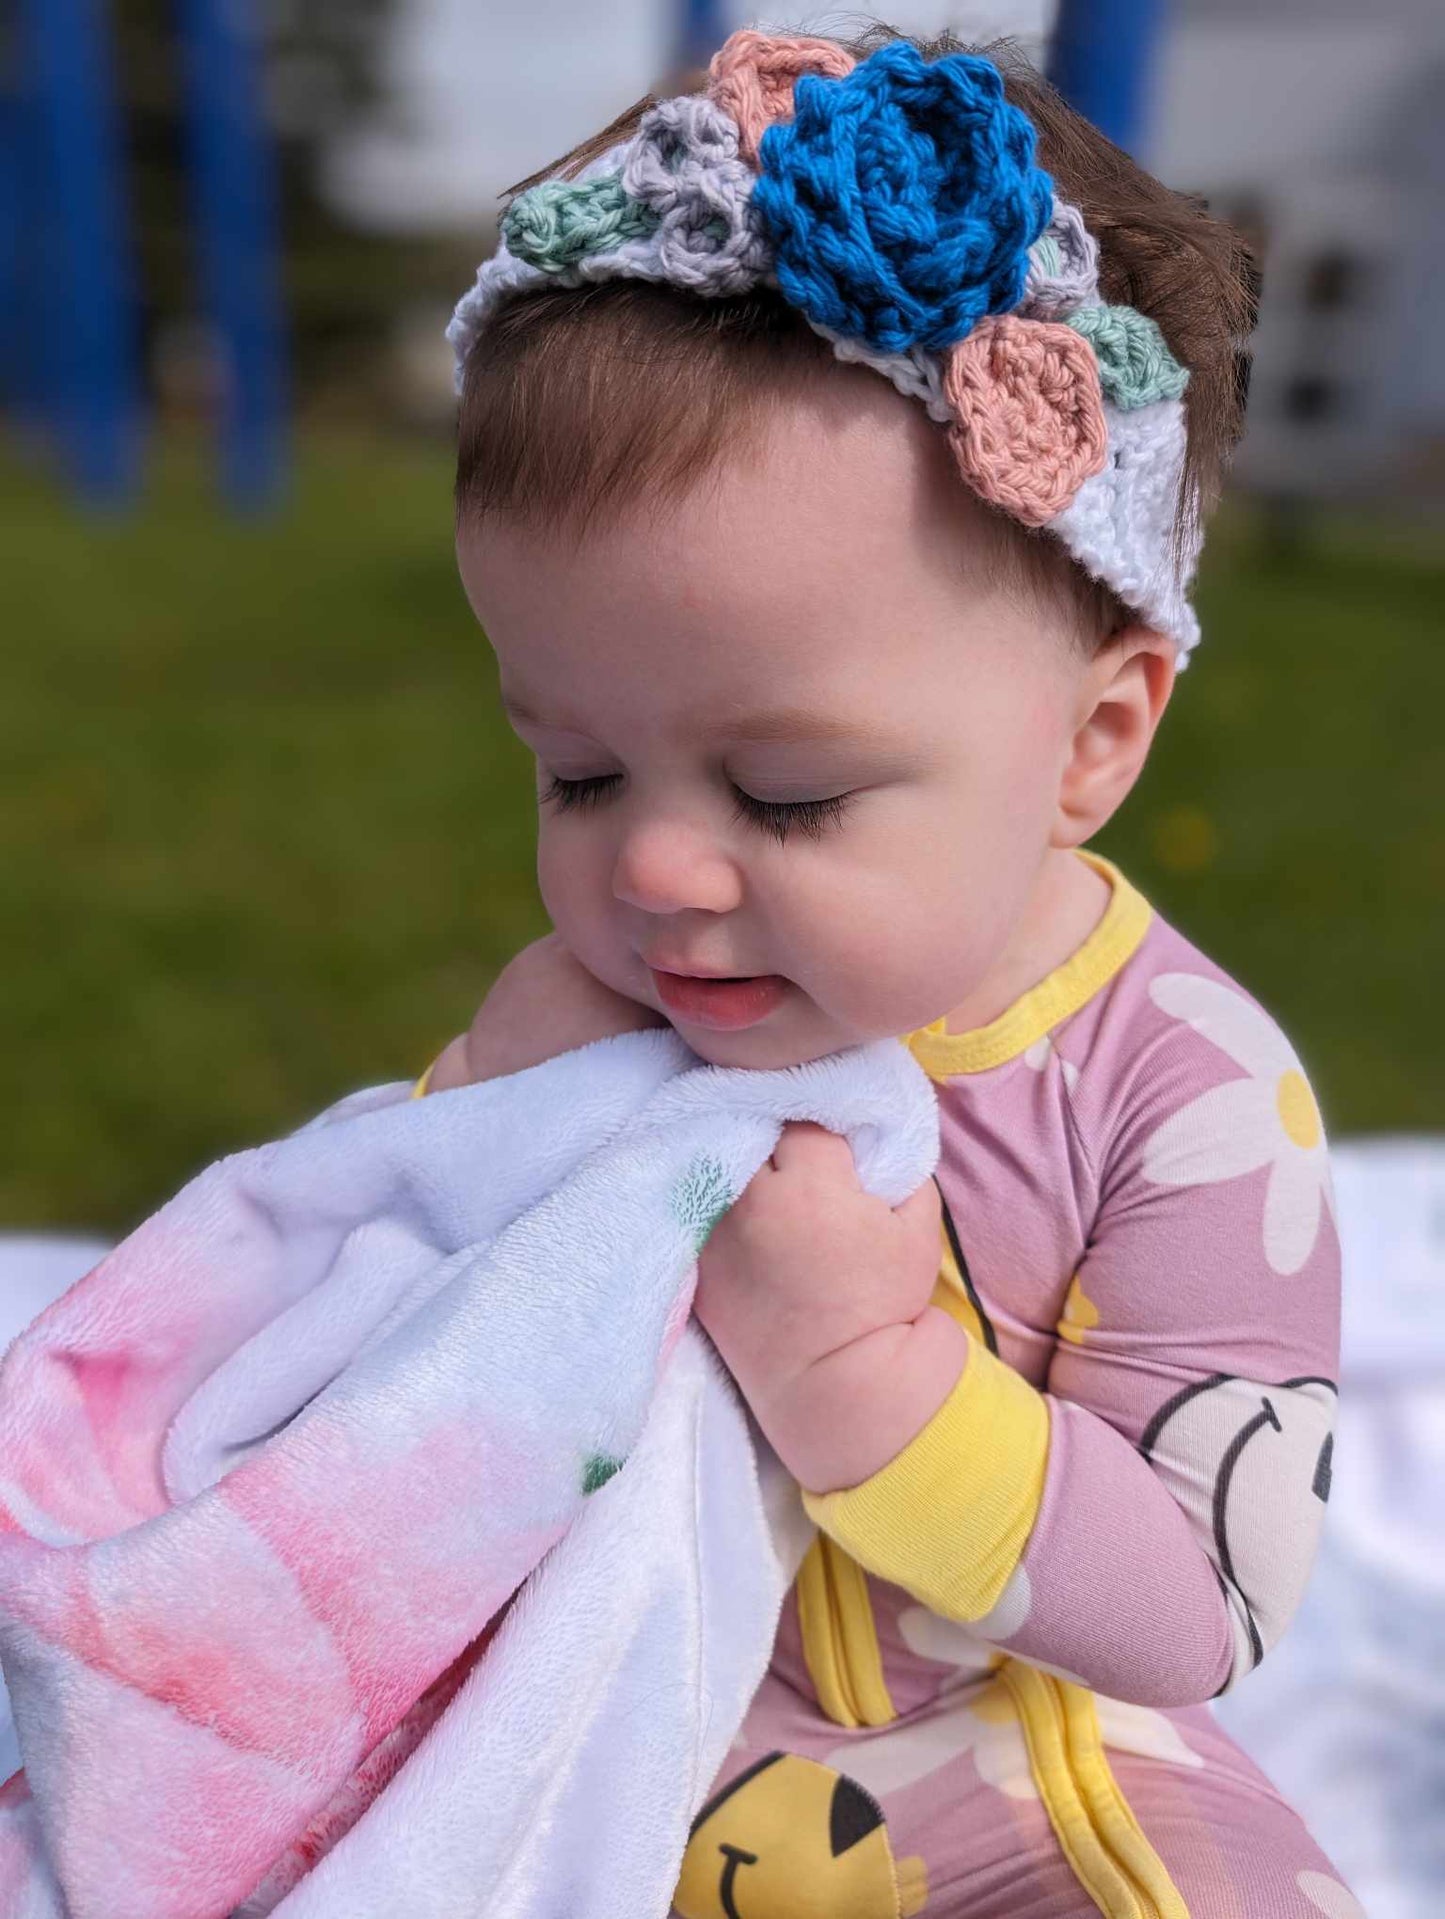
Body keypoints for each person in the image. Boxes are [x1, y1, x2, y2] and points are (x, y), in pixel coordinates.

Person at [425, 28, 1354, 1918]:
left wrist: (863, 1368)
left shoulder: (1172, 1090)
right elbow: (382, 1398)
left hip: (1011, 1767)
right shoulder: (589, 1022)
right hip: (607, 1740)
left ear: (1090, 742)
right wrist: (453, 1179)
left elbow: (1198, 1603)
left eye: (788, 791)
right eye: (577, 771)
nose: (658, 870)